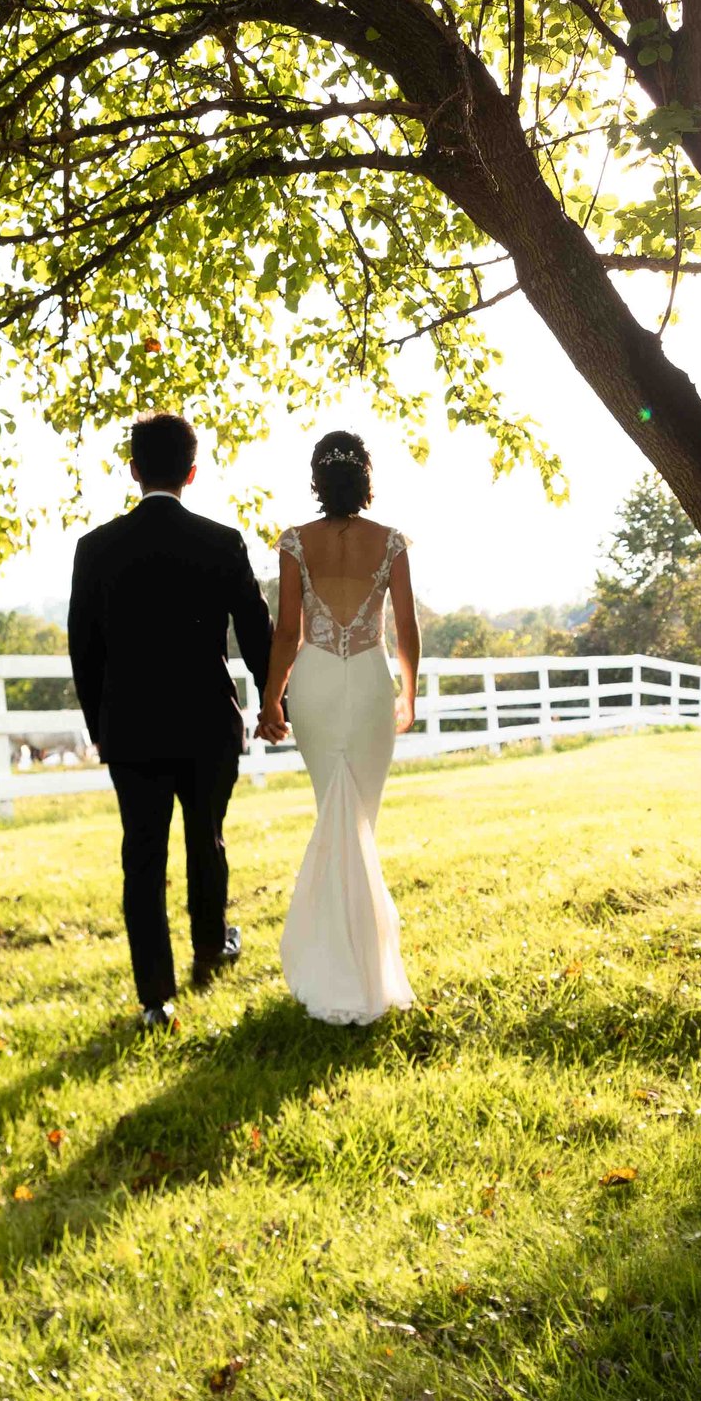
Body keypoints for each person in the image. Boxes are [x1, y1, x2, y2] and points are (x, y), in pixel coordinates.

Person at [68, 413, 274, 1030]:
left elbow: (83, 645)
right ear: (191, 471)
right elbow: (255, 629)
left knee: (142, 855)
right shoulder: (223, 541)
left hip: (130, 727)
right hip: (208, 722)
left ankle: (156, 996)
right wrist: (272, 701)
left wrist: (97, 721)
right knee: (206, 841)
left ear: (133, 471)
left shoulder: (95, 548)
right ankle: (210, 954)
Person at [254, 431, 418, 1025]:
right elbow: (406, 628)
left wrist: (272, 699)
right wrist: (410, 692)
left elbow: (286, 634)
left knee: (335, 812)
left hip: (317, 688)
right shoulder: (392, 543)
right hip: (371, 685)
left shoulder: (297, 543)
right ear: (364, 476)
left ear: (319, 478)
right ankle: (360, 965)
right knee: (357, 821)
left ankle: (339, 963)